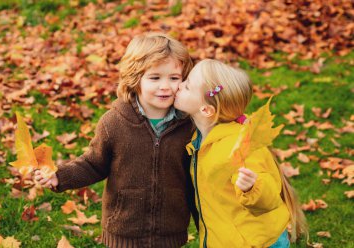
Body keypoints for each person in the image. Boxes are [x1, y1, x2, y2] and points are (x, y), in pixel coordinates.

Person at [34, 33, 198, 248]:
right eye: (155, 78)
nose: (165, 86)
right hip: (124, 229)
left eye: (174, 78)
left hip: (170, 230)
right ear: (135, 79)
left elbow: (198, 174)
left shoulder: (189, 124)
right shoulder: (114, 123)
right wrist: (60, 177)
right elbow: (93, 163)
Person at [174, 59, 308, 247]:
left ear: (206, 110)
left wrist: (252, 187)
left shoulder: (239, 146)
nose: (178, 86)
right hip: (227, 237)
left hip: (255, 242)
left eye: (187, 86)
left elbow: (269, 193)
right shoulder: (201, 137)